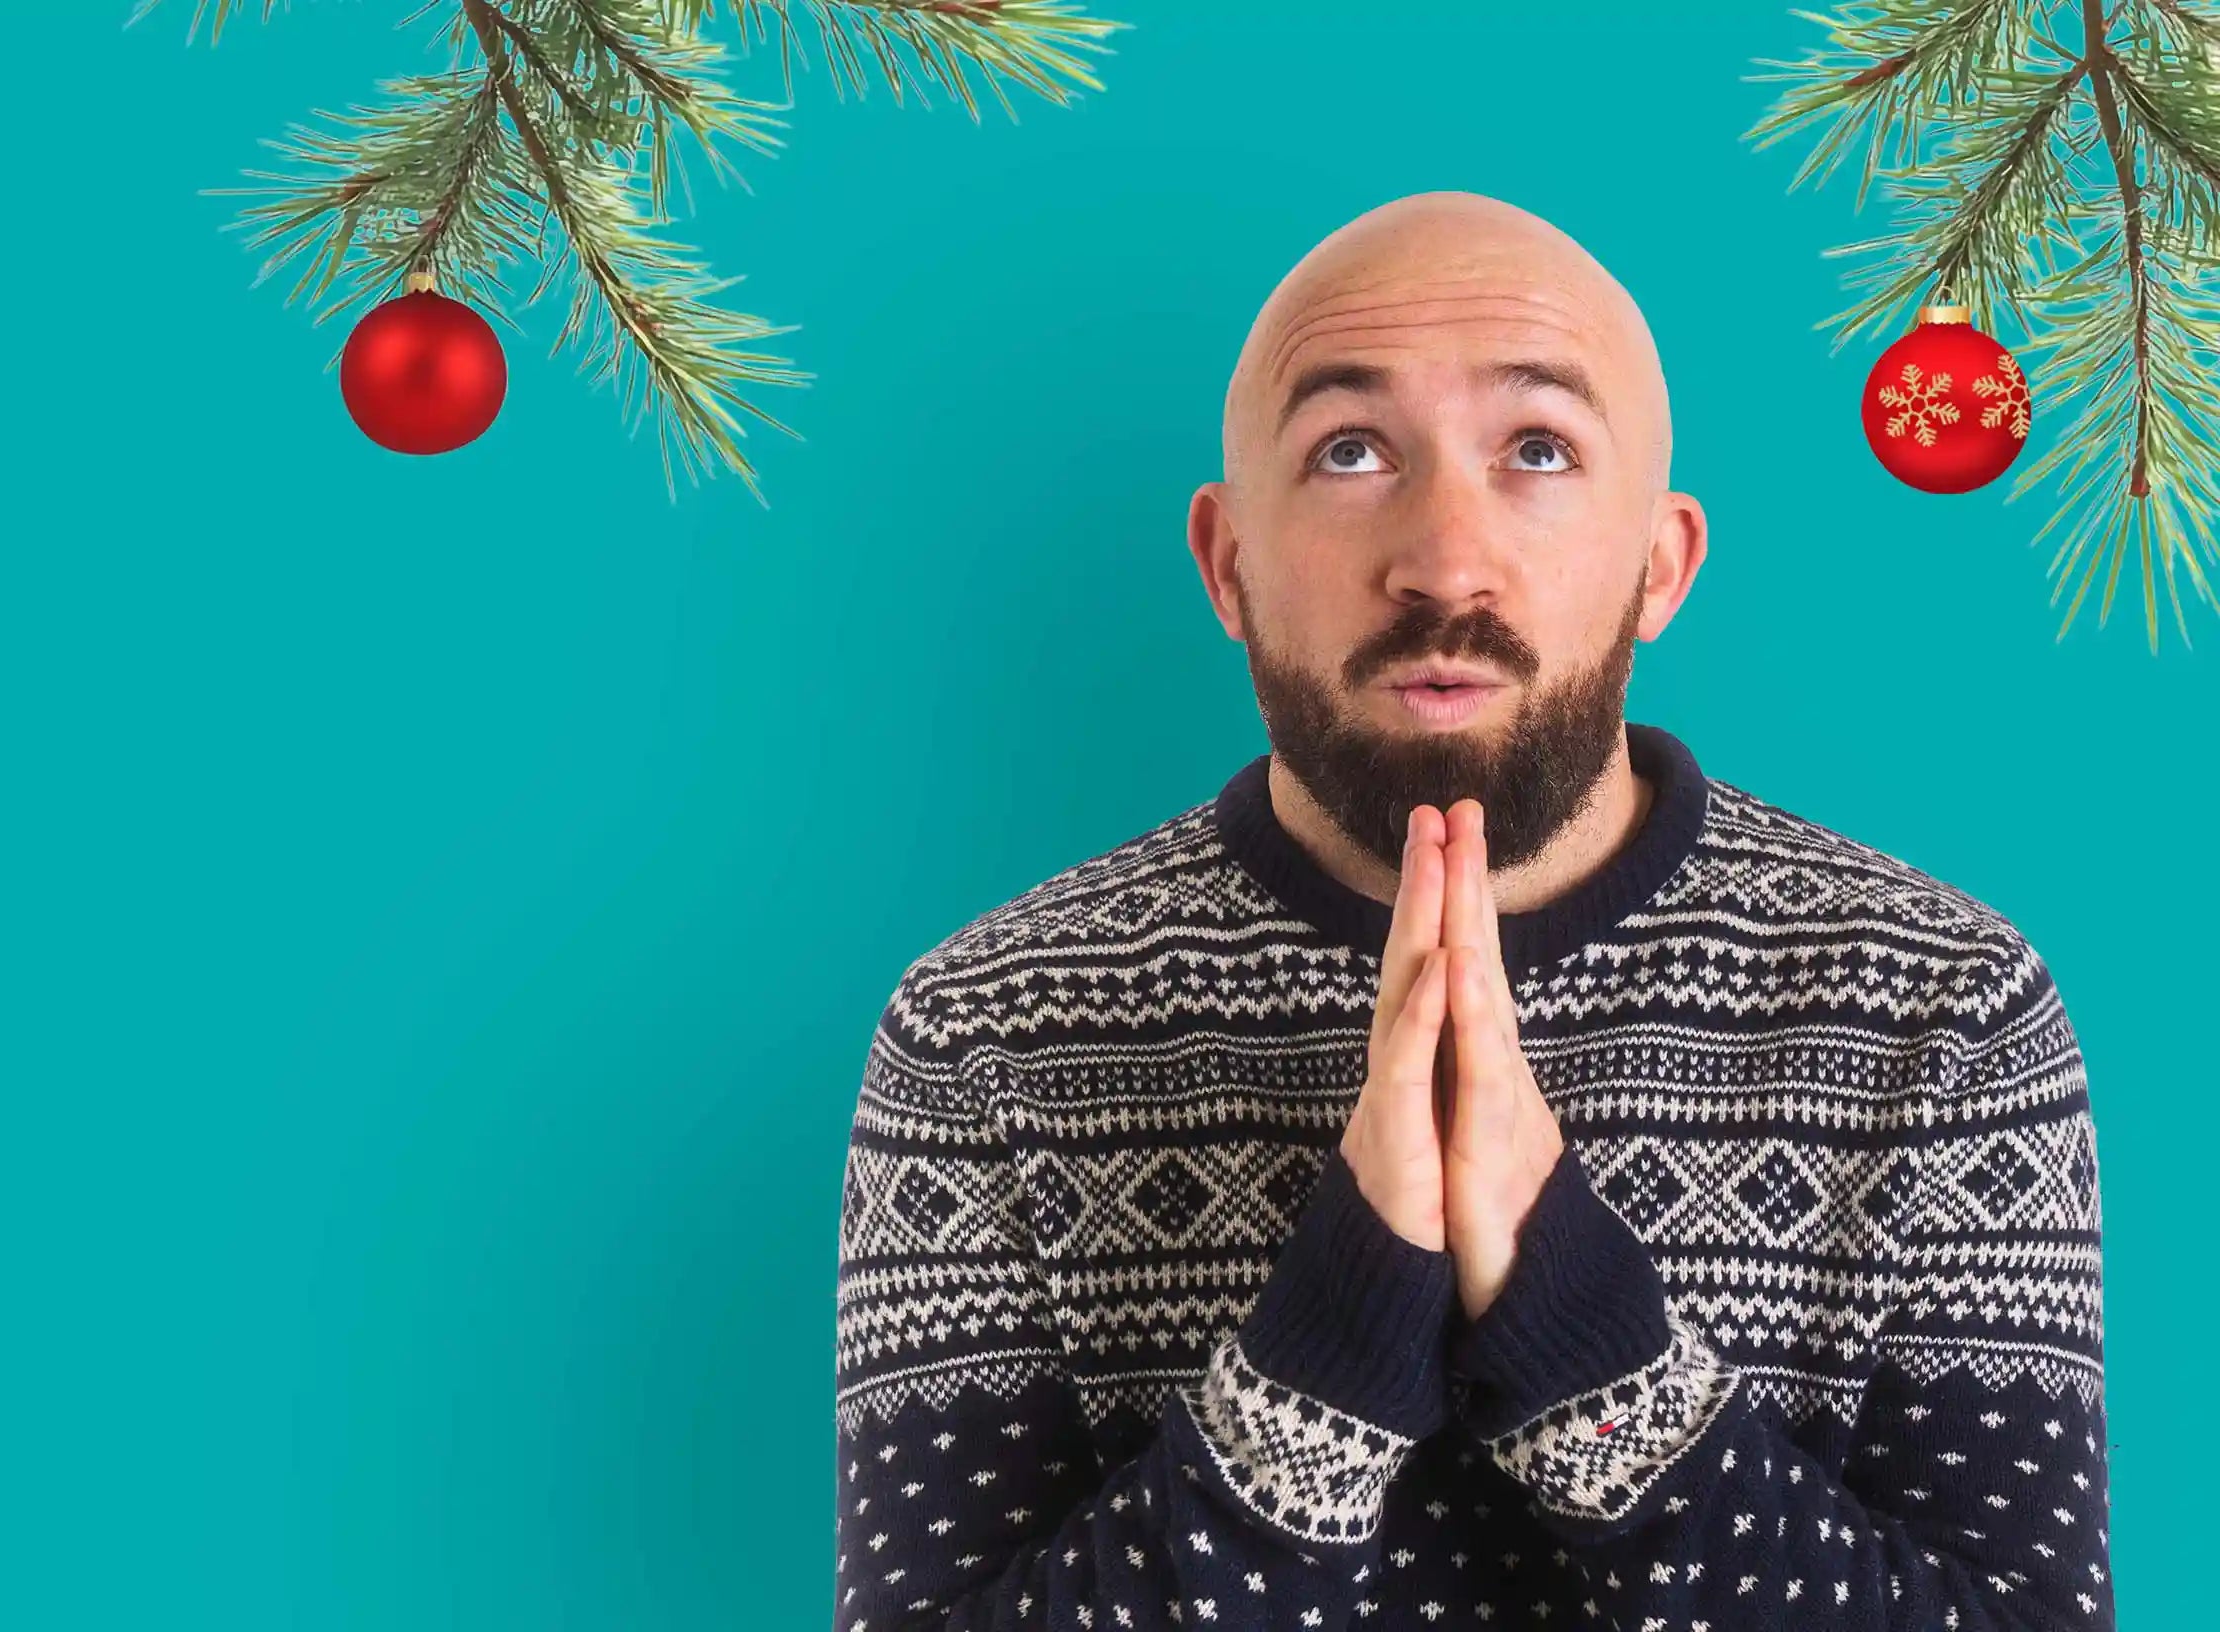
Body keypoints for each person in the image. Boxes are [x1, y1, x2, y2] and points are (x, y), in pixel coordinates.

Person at [831, 190, 2112, 1631]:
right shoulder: (984, 1036)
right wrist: (1335, 1335)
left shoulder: (1943, 1009)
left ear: (1661, 566)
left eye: (1540, 451)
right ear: (1228, 563)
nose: (1445, 560)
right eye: (1352, 451)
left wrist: (1579, 1331)